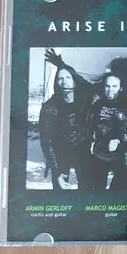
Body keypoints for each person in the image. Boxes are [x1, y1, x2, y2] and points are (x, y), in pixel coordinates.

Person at [38, 49, 94, 190]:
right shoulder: (49, 107)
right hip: (60, 154)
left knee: (87, 190)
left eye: (68, 77)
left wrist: (61, 65)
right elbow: (47, 141)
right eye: (60, 78)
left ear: (74, 81)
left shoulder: (84, 99)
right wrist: (56, 171)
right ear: (56, 83)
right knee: (60, 192)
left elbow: (88, 86)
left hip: (83, 152)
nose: (64, 82)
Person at [86, 73, 125, 189]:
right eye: (107, 86)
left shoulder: (126, 104)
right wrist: (92, 143)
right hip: (100, 153)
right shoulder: (98, 104)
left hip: (119, 155)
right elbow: (90, 125)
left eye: (114, 86)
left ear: (121, 88)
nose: (110, 90)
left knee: (117, 190)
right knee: (98, 188)